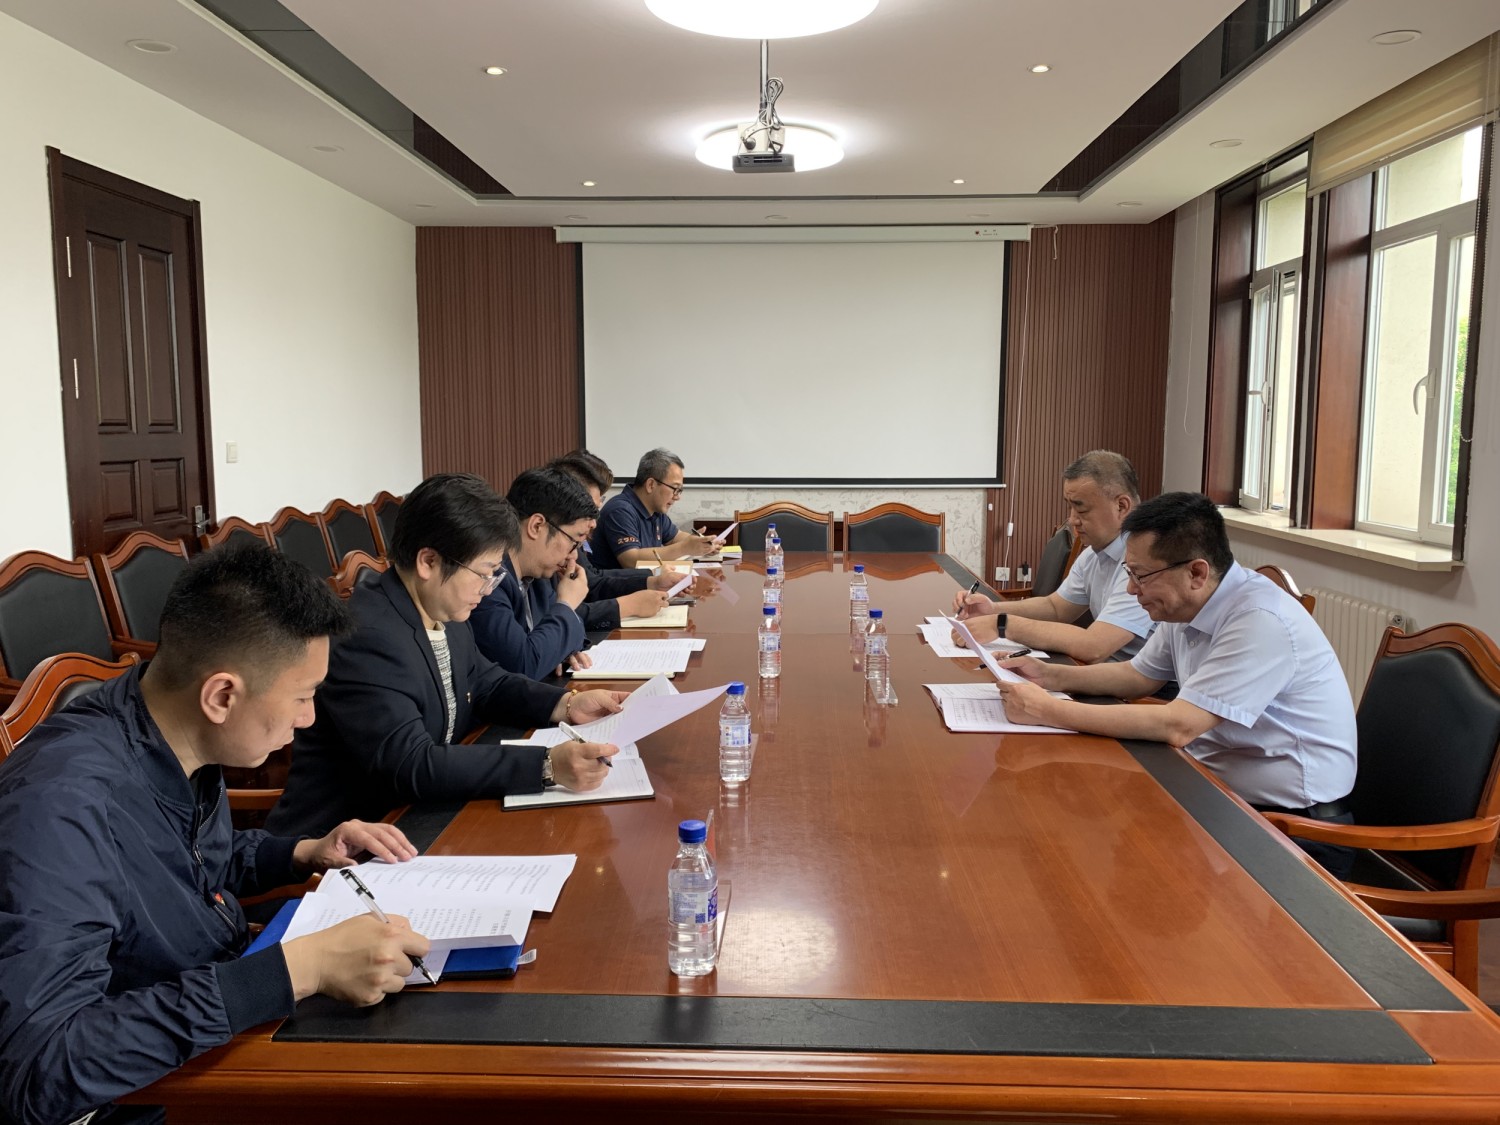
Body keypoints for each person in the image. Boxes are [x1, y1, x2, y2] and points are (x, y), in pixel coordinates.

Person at [0, 543, 432, 1125]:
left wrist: (301, 852)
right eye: (303, 697)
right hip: (148, 1096)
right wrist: (298, 970)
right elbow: (41, 1068)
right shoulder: (62, 805)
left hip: (215, 1028)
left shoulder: (172, 728)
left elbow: (192, 868)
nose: (308, 718)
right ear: (222, 695)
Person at [992, 492, 1358, 875]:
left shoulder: (1261, 620)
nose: (1131, 589)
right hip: (1214, 792)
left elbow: (1179, 725)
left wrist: (1047, 710)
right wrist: (1048, 675)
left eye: (1140, 575)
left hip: (1293, 831)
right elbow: (1137, 676)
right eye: (1129, 573)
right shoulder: (1189, 606)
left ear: (1196, 573)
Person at [267, 474, 627, 840]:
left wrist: (567, 704)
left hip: (420, 818)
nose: (488, 590)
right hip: (345, 841)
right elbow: (409, 763)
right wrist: (546, 765)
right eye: (484, 574)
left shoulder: (440, 607)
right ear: (428, 561)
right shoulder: (369, 635)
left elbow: (487, 682)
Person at [953, 450, 1155, 663]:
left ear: (1121, 506)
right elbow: (1056, 608)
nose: (1073, 520)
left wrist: (1002, 625)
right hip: (1106, 670)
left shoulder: (1146, 562)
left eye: (1082, 510)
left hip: (1138, 681)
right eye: (1070, 507)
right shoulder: (1093, 555)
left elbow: (1095, 646)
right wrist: (993, 610)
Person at [470, 467, 602, 679]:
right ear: (536, 526)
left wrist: (558, 649)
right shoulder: (489, 578)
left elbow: (574, 632)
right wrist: (566, 605)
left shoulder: (539, 574)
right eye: (574, 542)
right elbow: (522, 665)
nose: (573, 557)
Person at [550, 449, 675, 631]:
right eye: (592, 504)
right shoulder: (619, 510)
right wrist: (629, 604)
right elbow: (571, 609)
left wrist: (652, 579)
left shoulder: (572, 537)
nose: (595, 521)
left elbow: (593, 579)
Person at [589, 447, 716, 569]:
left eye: (679, 490)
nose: (677, 497)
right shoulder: (620, 510)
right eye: (675, 489)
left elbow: (675, 537)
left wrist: (703, 543)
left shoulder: (656, 510)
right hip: (617, 584)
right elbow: (631, 561)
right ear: (651, 485)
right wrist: (685, 548)